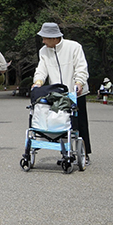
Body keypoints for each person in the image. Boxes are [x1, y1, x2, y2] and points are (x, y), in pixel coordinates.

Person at [31, 22, 91, 164]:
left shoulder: (74, 47)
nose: (43, 41)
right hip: (58, 94)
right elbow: (41, 69)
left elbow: (81, 67)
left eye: (45, 38)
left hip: (76, 92)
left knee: (80, 123)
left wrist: (79, 82)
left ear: (54, 38)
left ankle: (85, 154)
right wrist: (38, 81)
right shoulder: (44, 51)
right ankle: (66, 152)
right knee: (60, 122)